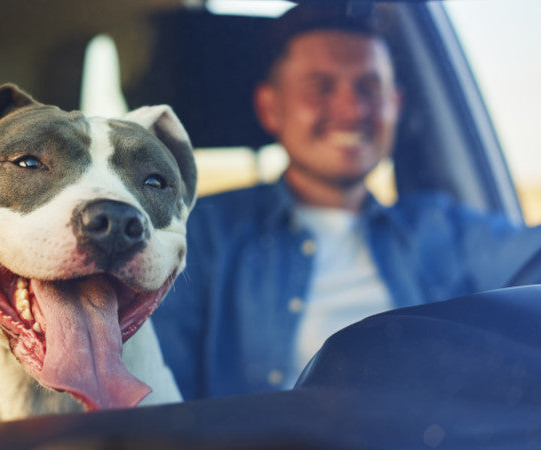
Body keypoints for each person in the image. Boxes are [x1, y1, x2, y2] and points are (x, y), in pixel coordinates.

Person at [151, 3, 541, 401]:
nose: (351, 110)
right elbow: (158, 400)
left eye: (370, 87)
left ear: (397, 104)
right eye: (321, 87)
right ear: (270, 107)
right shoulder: (200, 236)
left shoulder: (442, 229)